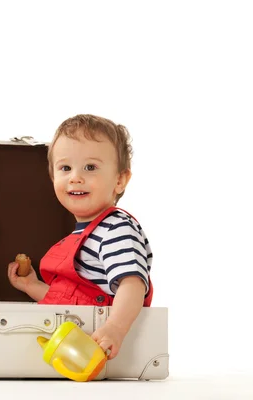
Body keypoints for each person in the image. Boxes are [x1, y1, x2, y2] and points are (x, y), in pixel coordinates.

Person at [8, 114, 153, 360]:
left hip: (95, 347)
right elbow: (69, 304)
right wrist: (32, 286)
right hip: (67, 348)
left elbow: (133, 284)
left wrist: (115, 328)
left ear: (120, 180)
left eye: (90, 167)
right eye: (65, 168)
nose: (75, 176)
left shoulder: (115, 228)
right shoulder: (81, 234)